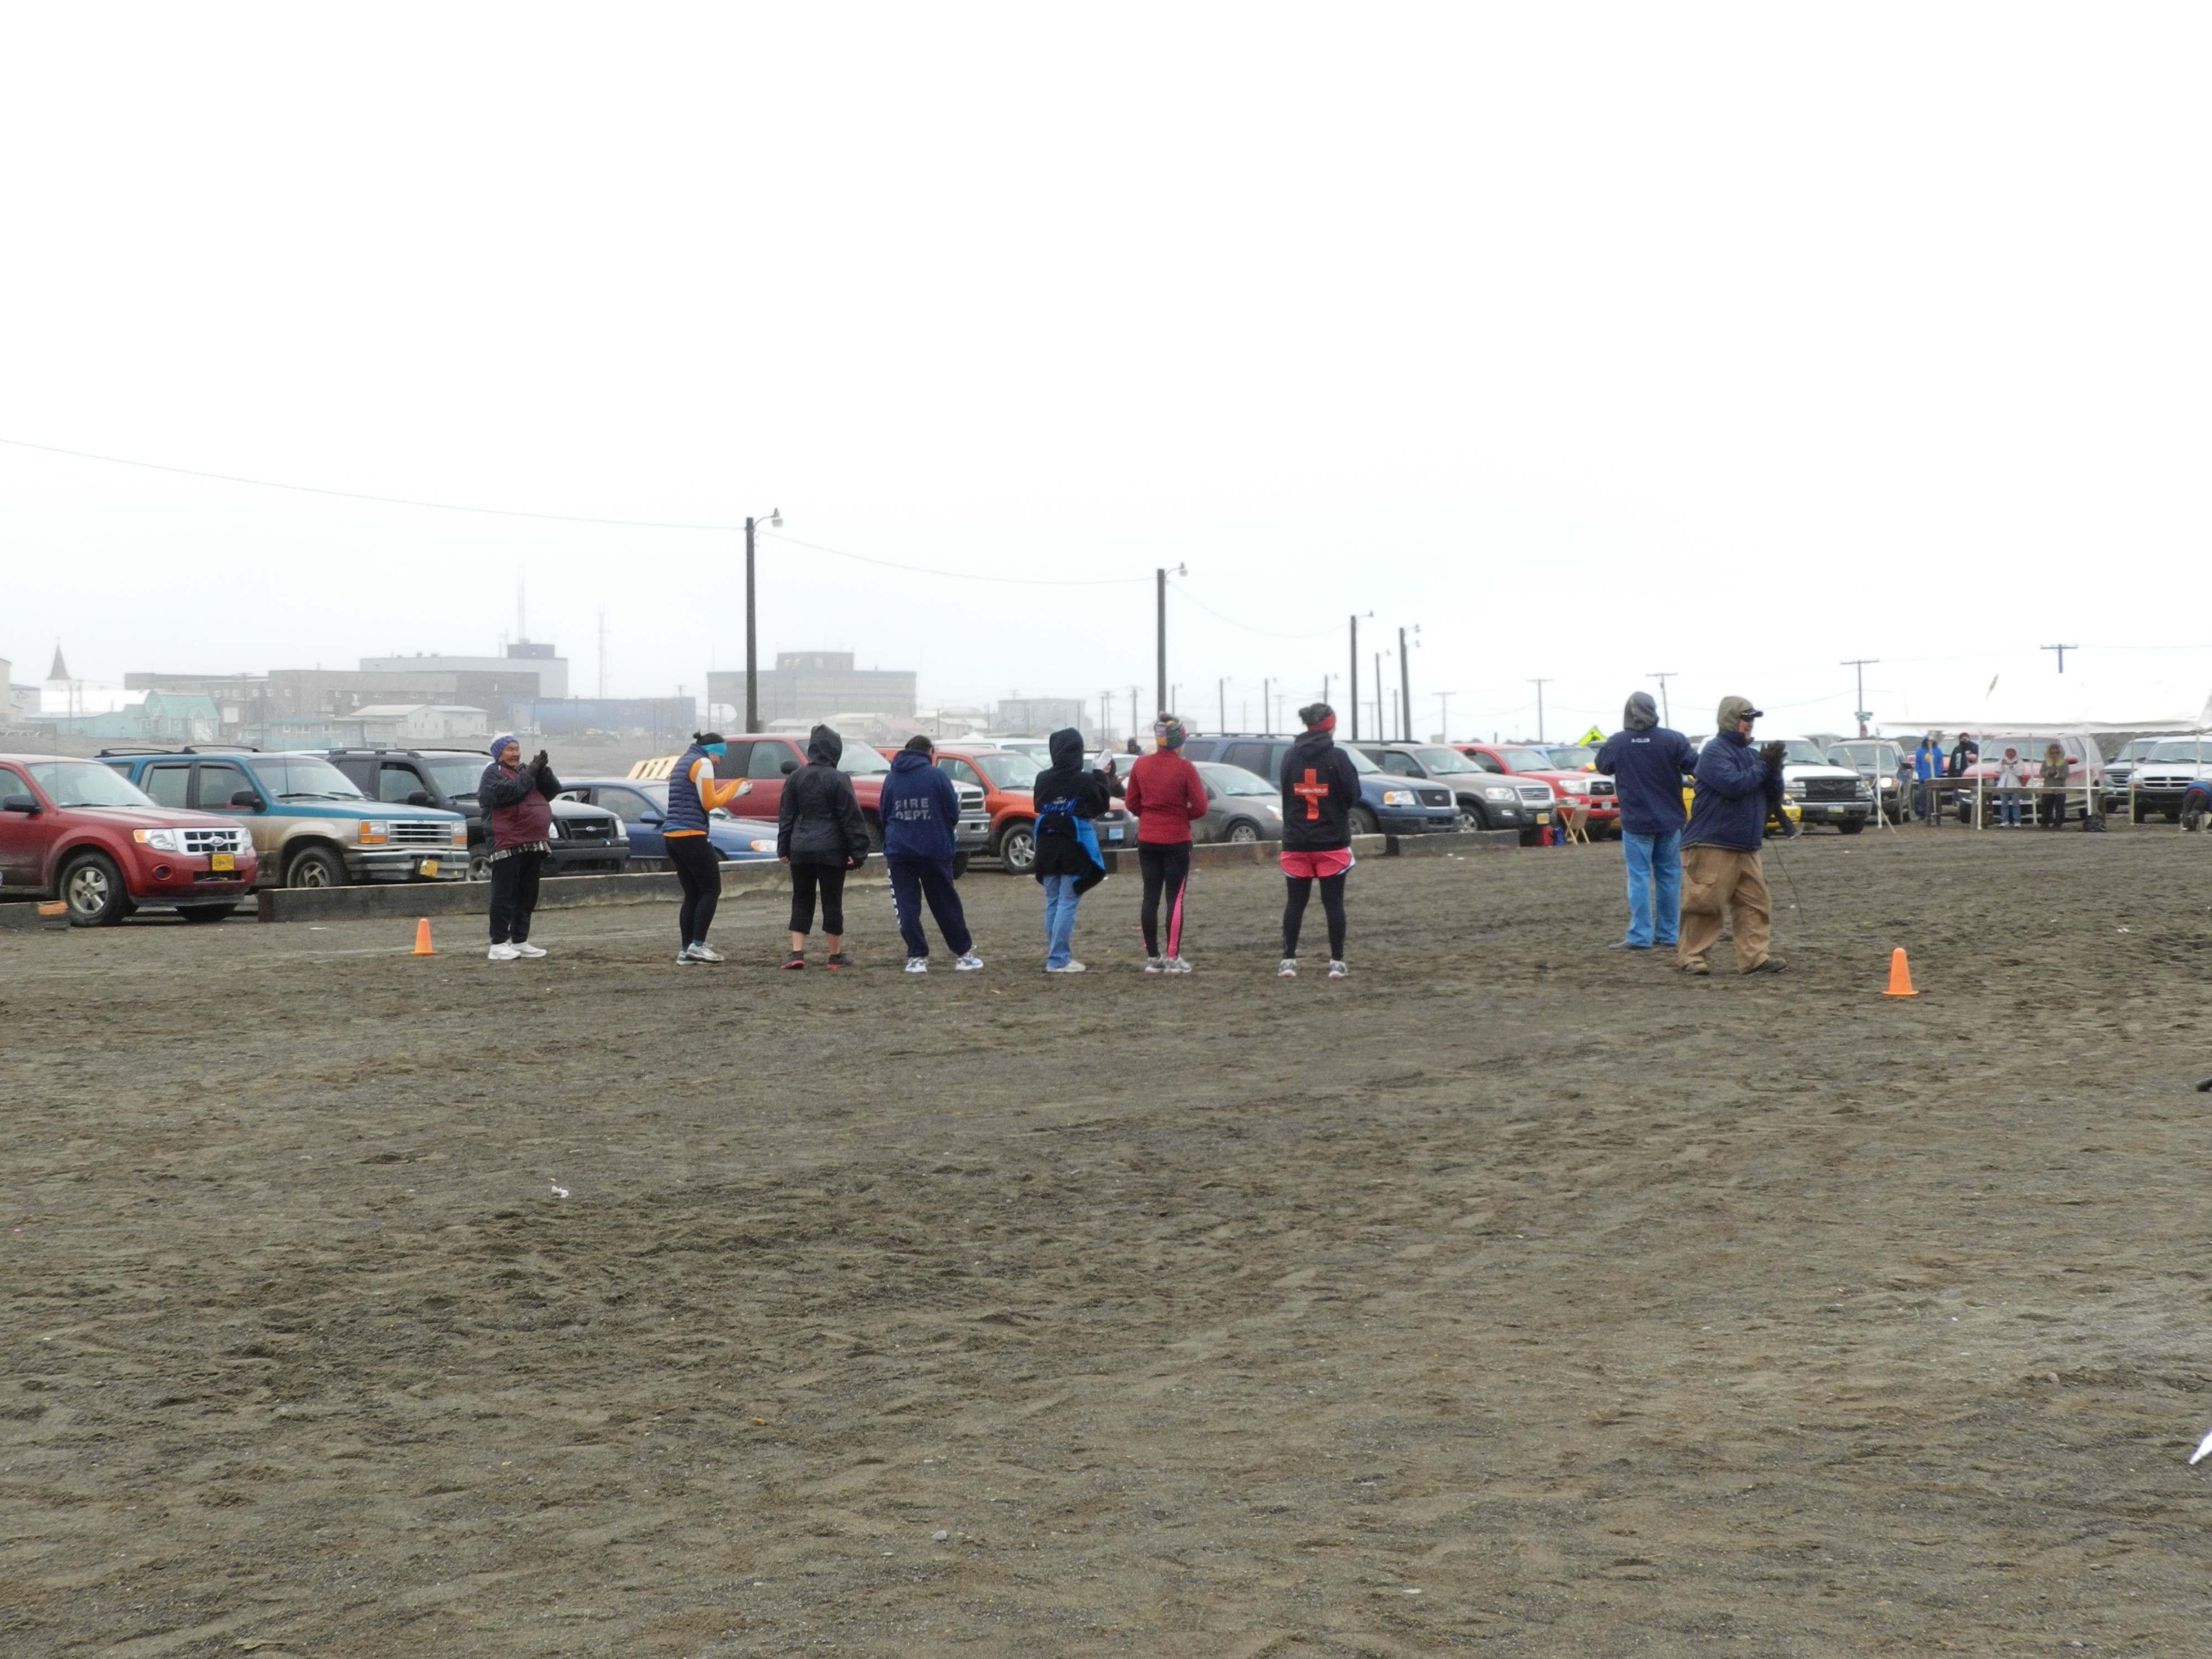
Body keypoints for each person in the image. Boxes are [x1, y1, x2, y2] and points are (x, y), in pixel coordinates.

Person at [1677, 696, 1787, 977]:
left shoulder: (1750, 756)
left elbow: (1774, 796)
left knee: (1755, 904)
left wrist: (1775, 770)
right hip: (1711, 842)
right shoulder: (1714, 752)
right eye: (1745, 718)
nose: (1750, 724)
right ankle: (1693, 957)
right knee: (1705, 902)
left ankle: (1755, 958)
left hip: (1746, 845)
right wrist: (1763, 766)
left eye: (1752, 719)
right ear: (1730, 719)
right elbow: (1734, 786)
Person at [1595, 691, 1699, 951]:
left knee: (1639, 878)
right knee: (1669, 877)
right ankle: (1668, 933)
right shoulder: (1673, 740)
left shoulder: (1618, 742)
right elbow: (1696, 768)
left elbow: (1603, 766)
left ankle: (1640, 936)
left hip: (1636, 823)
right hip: (1669, 821)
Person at [878, 735, 983, 974]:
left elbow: (884, 814)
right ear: (929, 752)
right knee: (944, 902)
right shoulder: (937, 776)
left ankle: (917, 957)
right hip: (934, 849)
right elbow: (952, 812)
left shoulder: (892, 778)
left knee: (906, 904)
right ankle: (963, 954)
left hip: (899, 850)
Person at [775, 724, 871, 969]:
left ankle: (797, 953)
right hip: (832, 849)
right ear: (835, 750)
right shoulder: (839, 779)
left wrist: (784, 848)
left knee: (801, 898)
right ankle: (835, 956)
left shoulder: (795, 777)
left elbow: (786, 816)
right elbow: (851, 817)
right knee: (832, 900)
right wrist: (858, 852)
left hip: (801, 848)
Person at [1277, 702, 1361, 979]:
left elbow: (1286, 794)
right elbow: (1353, 796)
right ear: (1330, 726)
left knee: (1295, 903)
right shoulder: (1338, 757)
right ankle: (1337, 962)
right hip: (1332, 843)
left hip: (1296, 842)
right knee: (1333, 904)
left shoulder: (1290, 757)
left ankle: (1288, 961)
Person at [1123, 713, 1209, 973]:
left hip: (1147, 839)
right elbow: (1201, 807)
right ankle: (1173, 957)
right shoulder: (1186, 769)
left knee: (1150, 896)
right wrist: (1180, 816)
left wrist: (1150, 816)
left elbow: (1131, 802)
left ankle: (1153, 957)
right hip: (1177, 840)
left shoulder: (1141, 764)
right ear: (1179, 741)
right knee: (1175, 898)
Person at [1030, 727, 1113, 972]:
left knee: (1053, 901)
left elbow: (1039, 805)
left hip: (1047, 842)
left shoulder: (1042, 778)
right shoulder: (1084, 780)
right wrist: (1099, 774)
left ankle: (1056, 955)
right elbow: (1101, 805)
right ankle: (1058, 959)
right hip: (1072, 843)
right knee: (1067, 900)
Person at [479, 734, 560, 961]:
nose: (515, 753)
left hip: (534, 843)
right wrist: (530, 772)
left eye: (517, 749)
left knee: (527, 896)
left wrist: (543, 771)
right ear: (498, 754)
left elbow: (552, 791)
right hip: (507, 843)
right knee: (504, 895)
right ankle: (498, 944)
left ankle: (520, 940)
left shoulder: (525, 772)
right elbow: (510, 793)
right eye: (509, 749)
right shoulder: (492, 775)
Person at [664, 730, 743, 963]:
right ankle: (698, 945)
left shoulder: (683, 761)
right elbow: (709, 803)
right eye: (720, 756)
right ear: (711, 752)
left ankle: (686, 950)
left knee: (692, 894)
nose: (719, 762)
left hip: (672, 835)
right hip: (692, 834)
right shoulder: (703, 763)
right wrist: (735, 789)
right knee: (711, 890)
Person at [1912, 732, 1946, 822]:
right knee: (1922, 796)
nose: (1929, 743)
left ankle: (1936, 813)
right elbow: (1917, 765)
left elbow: (1940, 764)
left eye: (1930, 741)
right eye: (1927, 741)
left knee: (1936, 797)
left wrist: (1937, 774)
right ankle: (1922, 814)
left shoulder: (1938, 751)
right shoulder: (1920, 751)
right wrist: (1921, 774)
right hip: (1924, 779)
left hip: (1935, 779)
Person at [1993, 745, 2028, 827]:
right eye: (2008, 752)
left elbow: (2020, 773)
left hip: (2015, 785)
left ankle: (2017, 821)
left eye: (2012, 751)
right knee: (2004, 804)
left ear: (2015, 753)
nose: (2010, 753)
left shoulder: (2019, 762)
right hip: (2004, 785)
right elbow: (1998, 771)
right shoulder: (2002, 761)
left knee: (2016, 804)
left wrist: (2013, 768)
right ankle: (2005, 820)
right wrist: (2002, 765)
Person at [2038, 742, 2070, 829]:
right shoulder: (2045, 762)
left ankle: (2058, 823)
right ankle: (2046, 822)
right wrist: (2048, 773)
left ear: (2060, 753)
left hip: (2060, 787)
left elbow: (2066, 774)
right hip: (2048, 787)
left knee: (2060, 806)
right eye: (2052, 753)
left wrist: (2056, 773)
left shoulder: (2064, 762)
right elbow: (2041, 773)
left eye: (2056, 753)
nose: (2054, 755)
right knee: (2046, 805)